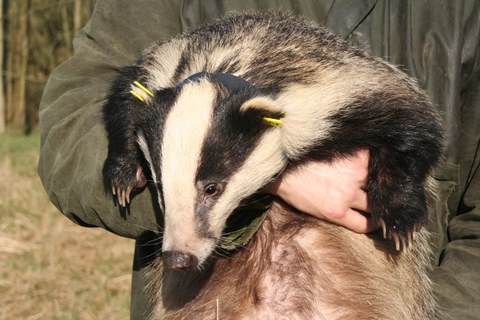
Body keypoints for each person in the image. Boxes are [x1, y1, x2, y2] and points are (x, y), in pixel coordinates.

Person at [38, 0, 480, 319]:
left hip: (363, 297)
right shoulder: (163, 58)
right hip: (209, 300)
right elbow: (72, 131)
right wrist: (281, 176)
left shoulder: (457, 16)